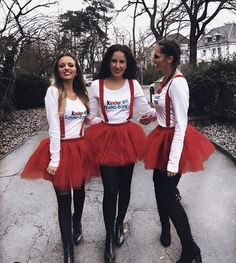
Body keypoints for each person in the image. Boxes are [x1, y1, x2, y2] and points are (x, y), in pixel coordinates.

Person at [140, 39, 215, 263]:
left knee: (168, 196)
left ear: (169, 58)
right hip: (162, 136)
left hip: (175, 142)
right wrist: (152, 116)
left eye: (156, 56)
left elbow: (181, 123)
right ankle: (165, 228)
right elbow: (165, 108)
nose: (153, 60)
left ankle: (190, 248)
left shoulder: (179, 83)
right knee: (157, 185)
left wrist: (173, 163)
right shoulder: (165, 80)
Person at [21, 53, 98, 263]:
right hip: (61, 149)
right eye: (62, 65)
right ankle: (68, 249)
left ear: (76, 68)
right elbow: (53, 128)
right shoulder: (53, 92)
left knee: (80, 191)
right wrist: (55, 159)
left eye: (71, 65)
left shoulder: (82, 92)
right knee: (64, 200)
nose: (67, 68)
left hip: (81, 149)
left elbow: (90, 118)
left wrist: (113, 120)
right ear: (58, 69)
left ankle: (77, 223)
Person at [85, 44, 156, 262]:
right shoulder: (96, 85)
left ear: (127, 64)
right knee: (110, 190)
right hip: (106, 141)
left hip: (128, 139)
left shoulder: (133, 85)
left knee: (124, 188)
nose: (117, 65)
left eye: (122, 62)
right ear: (108, 62)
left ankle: (118, 226)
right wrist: (103, 124)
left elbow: (146, 112)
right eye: (114, 61)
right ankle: (108, 237)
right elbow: (91, 115)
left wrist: (161, 110)